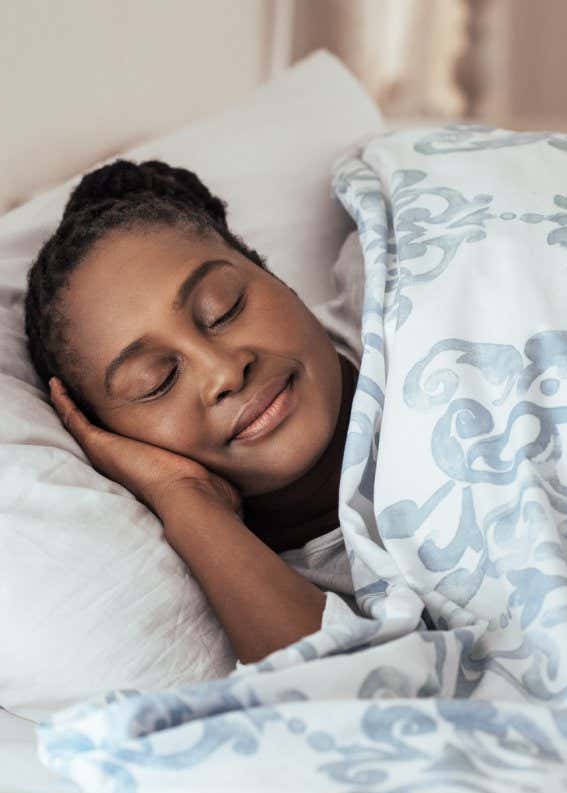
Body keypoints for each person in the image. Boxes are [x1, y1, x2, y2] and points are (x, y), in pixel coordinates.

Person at [23, 158, 363, 665]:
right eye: (156, 381)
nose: (224, 372)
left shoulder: (413, 282)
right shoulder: (272, 598)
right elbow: (346, 700)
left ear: (275, 277)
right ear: (117, 439)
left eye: (222, 308)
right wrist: (182, 497)